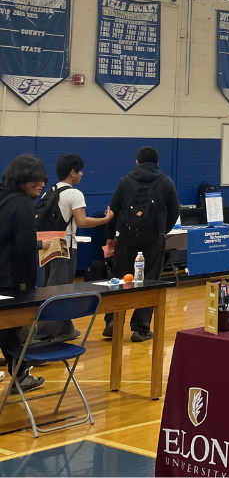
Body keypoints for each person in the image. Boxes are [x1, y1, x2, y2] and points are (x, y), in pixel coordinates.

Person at [102, 146, 180, 342]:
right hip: (153, 239)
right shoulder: (166, 182)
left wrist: (110, 236)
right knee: (149, 282)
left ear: (136, 162)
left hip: (126, 238)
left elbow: (112, 211)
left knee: (119, 280)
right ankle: (141, 329)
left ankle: (113, 320)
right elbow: (174, 210)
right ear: (158, 162)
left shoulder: (125, 181)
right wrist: (164, 230)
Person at [40, 154, 113, 342]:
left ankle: (65, 328)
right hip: (65, 245)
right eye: (79, 171)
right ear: (72, 172)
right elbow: (82, 221)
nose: (81, 175)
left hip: (47, 245)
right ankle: (42, 336)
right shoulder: (74, 193)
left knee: (55, 286)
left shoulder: (50, 191)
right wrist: (106, 220)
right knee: (58, 290)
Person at [0, 154, 48, 393]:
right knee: (10, 328)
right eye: (35, 179)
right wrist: (30, 286)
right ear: (22, 179)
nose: (40, 184)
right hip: (9, 278)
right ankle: (20, 375)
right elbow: (24, 247)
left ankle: (19, 375)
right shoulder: (22, 204)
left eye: (43, 180)